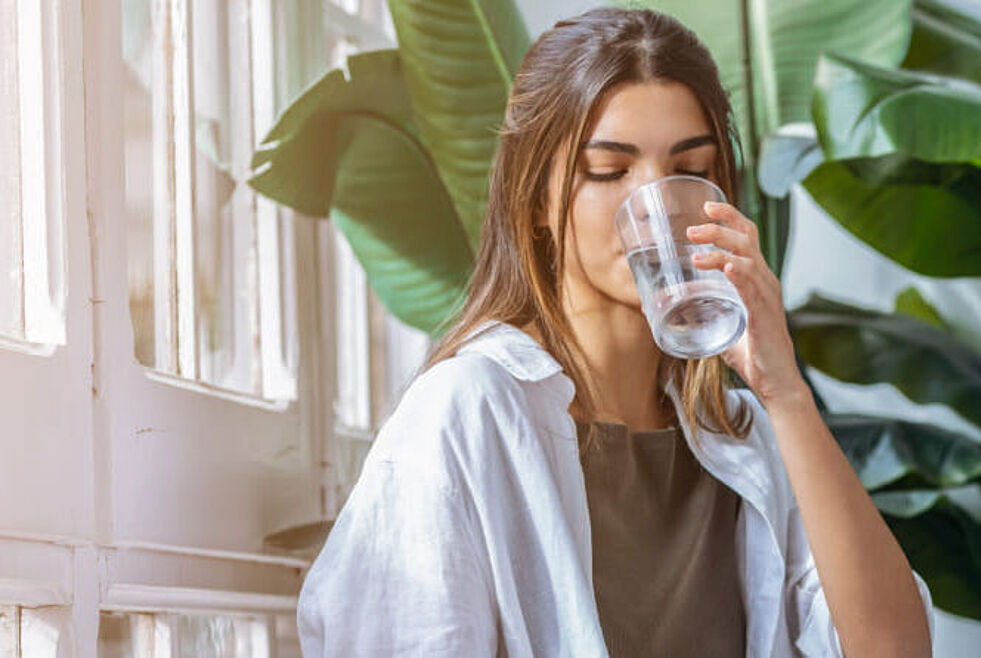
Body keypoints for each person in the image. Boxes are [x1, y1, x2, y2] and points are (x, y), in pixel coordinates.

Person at [296, 7, 934, 657]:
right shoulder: (467, 411)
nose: (657, 203)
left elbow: (895, 649)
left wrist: (787, 393)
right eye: (609, 170)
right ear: (537, 198)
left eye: (693, 168)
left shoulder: (743, 434)